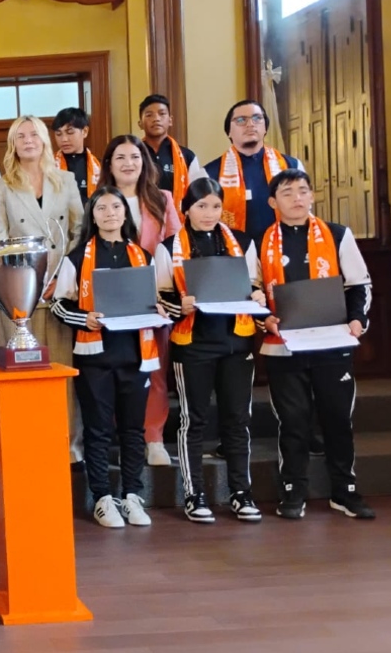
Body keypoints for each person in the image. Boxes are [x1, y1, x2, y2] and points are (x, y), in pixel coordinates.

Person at [260, 169, 375, 520]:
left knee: (337, 418)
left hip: (332, 343)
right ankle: (294, 489)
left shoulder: (338, 234)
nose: (297, 198)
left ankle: (345, 490)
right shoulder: (259, 240)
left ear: (312, 196)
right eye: (288, 192)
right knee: (293, 420)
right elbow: (250, 290)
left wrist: (358, 320)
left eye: (303, 191)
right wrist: (263, 318)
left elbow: (359, 284)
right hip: (284, 345)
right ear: (272, 202)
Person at [154, 178, 264, 523]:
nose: (209, 213)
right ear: (186, 209)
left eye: (215, 206)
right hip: (193, 343)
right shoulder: (168, 245)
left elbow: (256, 284)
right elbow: (159, 298)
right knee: (193, 420)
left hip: (236, 340)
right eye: (201, 206)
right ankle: (194, 492)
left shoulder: (242, 242)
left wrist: (259, 296)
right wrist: (179, 306)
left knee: (237, 419)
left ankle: (240, 492)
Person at [51, 187, 162, 529]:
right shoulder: (77, 256)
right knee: (98, 431)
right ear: (92, 216)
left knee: (132, 429)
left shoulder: (143, 256)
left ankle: (132, 495)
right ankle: (102, 498)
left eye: (117, 206)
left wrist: (158, 308)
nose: (110, 212)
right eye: (102, 207)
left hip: (136, 355)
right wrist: (84, 317)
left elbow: (157, 299)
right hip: (95, 355)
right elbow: (58, 303)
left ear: (126, 214)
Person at [0, 115, 84, 464]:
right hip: (19, 293)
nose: (28, 140)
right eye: (20, 136)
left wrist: (63, 278)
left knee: (61, 375)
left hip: (59, 289)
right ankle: (21, 444)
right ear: (12, 144)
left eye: (34, 134)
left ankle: (68, 447)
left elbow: (78, 234)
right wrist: (16, 287)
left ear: (45, 140)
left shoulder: (67, 180)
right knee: (20, 376)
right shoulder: (1, 187)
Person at [98, 134, 182, 467]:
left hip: (152, 299)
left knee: (153, 370)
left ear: (144, 162)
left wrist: (167, 295)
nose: (128, 163)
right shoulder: (99, 199)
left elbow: (176, 247)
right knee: (113, 370)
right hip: (111, 299)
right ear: (109, 164)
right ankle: (120, 436)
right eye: (120, 157)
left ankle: (154, 438)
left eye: (135, 156)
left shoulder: (162, 199)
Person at [204, 99, 303, 244]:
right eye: (241, 120)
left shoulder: (291, 166)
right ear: (229, 132)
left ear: (265, 128)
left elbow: (304, 213)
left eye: (257, 118)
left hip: (284, 250)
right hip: (234, 254)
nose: (250, 124)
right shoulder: (210, 173)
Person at [137, 94, 207, 206]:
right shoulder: (132, 155)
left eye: (162, 114)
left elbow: (198, 195)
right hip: (140, 220)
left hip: (177, 220)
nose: (156, 119)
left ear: (170, 120)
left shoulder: (187, 156)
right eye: (149, 115)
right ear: (140, 123)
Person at [51, 107, 99, 207]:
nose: (64, 139)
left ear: (85, 131)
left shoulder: (98, 165)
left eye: (70, 132)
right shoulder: (49, 164)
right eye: (58, 134)